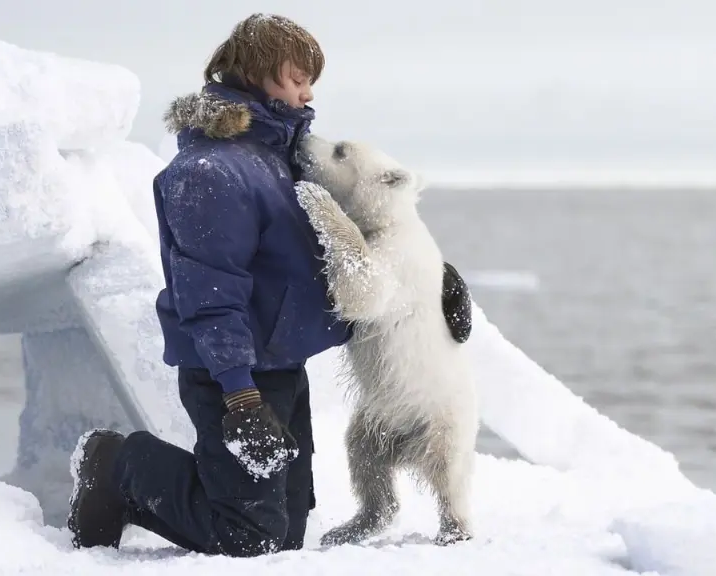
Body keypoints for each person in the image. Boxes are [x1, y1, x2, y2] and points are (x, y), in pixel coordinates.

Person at [66, 13, 473, 557]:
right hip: (231, 373)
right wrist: (240, 395)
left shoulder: (277, 156)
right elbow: (209, 295)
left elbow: (350, 232)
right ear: (254, 74)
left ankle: (157, 500)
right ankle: (117, 463)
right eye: (295, 77)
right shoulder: (211, 172)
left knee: (283, 536)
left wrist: (434, 278)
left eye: (311, 80)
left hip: (280, 362)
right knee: (247, 537)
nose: (307, 93)